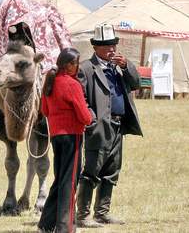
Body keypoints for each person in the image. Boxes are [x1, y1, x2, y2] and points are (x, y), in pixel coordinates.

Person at [76, 24, 143, 228]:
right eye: (106, 45)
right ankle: (83, 215)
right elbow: (82, 99)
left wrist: (126, 66)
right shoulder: (86, 68)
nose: (111, 49)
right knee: (91, 171)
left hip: (118, 126)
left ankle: (102, 213)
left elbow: (136, 83)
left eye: (113, 44)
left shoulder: (117, 67)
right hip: (98, 127)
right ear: (95, 47)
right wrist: (92, 120)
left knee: (112, 171)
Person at [38, 48, 92, 233]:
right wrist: (90, 117)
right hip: (72, 136)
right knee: (69, 182)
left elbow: (44, 110)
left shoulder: (50, 82)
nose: (78, 67)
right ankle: (65, 227)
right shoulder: (71, 84)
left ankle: (46, 224)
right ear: (68, 65)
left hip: (56, 136)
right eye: (76, 63)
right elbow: (85, 116)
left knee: (60, 179)